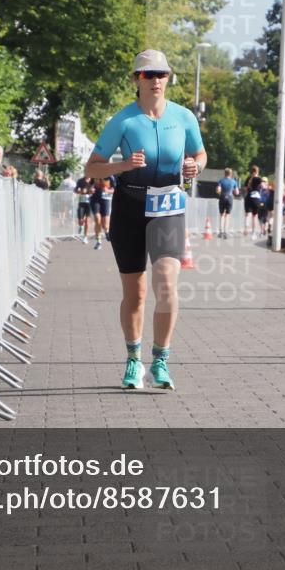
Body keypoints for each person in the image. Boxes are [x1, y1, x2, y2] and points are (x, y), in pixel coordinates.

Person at [84, 49, 206, 390]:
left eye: (161, 74)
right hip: (130, 205)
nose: (155, 80)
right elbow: (91, 167)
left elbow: (200, 153)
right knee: (135, 294)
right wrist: (122, 165)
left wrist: (196, 166)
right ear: (136, 79)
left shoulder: (183, 117)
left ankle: (161, 360)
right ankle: (134, 360)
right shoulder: (123, 120)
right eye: (147, 74)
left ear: (168, 78)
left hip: (168, 203)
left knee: (167, 284)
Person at [90, 175, 116, 249]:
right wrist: (90, 189)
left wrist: (108, 190)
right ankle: (98, 241)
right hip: (95, 199)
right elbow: (89, 186)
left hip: (105, 199)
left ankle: (106, 231)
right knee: (97, 219)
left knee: (105, 225)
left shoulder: (110, 177)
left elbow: (115, 189)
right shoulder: (94, 174)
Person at [215, 167, 239, 239]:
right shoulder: (234, 182)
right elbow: (237, 192)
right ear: (231, 174)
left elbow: (218, 190)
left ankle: (221, 231)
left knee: (222, 214)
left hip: (222, 197)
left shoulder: (221, 181)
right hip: (230, 198)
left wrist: (220, 193)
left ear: (224, 173)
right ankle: (226, 231)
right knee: (227, 215)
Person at [243, 165, 263, 237]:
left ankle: (246, 229)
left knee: (247, 214)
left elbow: (245, 189)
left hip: (248, 197)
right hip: (256, 198)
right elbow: (263, 186)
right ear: (258, 171)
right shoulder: (259, 179)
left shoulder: (248, 178)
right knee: (254, 216)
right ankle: (253, 232)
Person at [74, 173, 95, 243]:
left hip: (90, 203)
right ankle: (81, 226)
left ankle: (85, 237)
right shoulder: (80, 181)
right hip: (82, 203)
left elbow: (96, 190)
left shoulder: (93, 180)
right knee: (81, 220)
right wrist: (80, 191)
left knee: (87, 221)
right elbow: (75, 190)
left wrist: (93, 191)